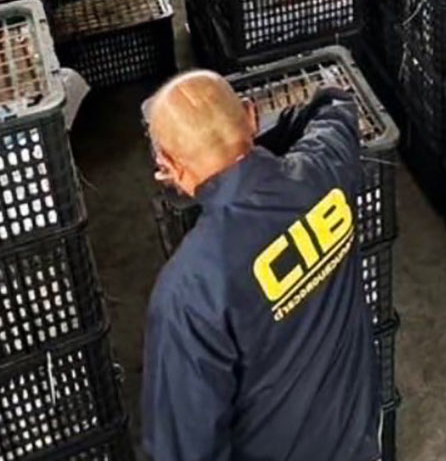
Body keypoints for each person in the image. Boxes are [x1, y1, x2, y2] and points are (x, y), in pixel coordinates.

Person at [140, 70, 379, 461]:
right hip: (356, 440)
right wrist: (253, 142)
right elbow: (335, 105)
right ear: (252, 115)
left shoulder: (189, 290)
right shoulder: (324, 171)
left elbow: (184, 446)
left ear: (168, 164)